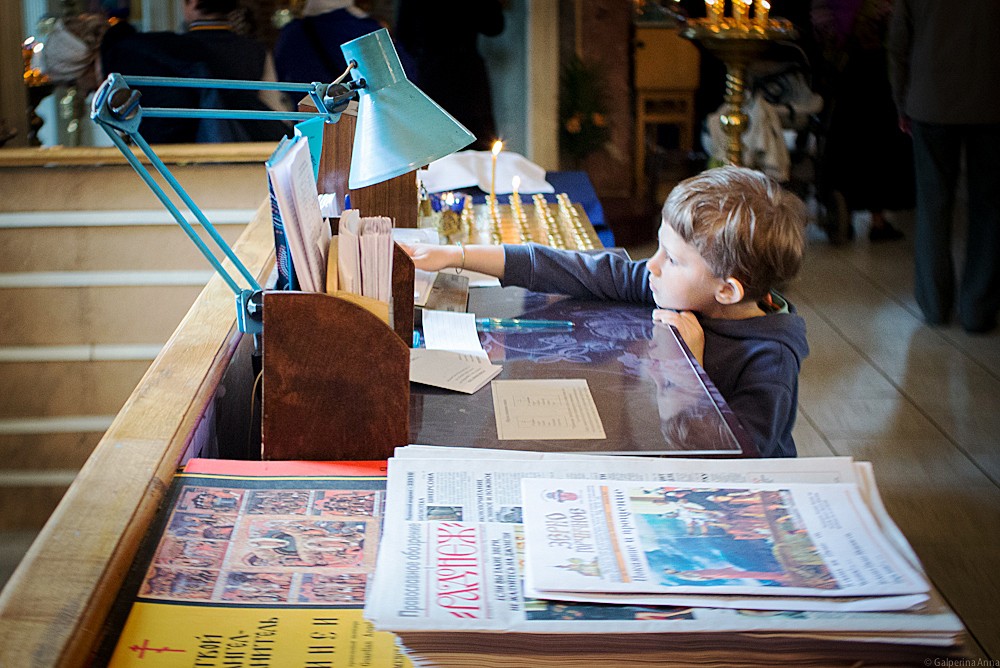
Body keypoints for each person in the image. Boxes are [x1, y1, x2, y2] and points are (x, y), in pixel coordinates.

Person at [404, 166, 809, 457]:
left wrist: (687, 369)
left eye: (672, 259)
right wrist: (455, 256)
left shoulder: (771, 359)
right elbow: (575, 269)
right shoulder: (674, 287)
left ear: (727, 290)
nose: (652, 266)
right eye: (659, 248)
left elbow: (736, 459)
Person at [888, 0, 1000, 333]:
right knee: (989, 210)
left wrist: (901, 100)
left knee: (933, 206)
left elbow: (898, 43)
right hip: (992, 103)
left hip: (930, 101)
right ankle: (978, 308)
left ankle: (934, 304)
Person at [100, 0, 290, 143]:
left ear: (192, 3)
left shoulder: (175, 50)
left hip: (196, 146)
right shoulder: (255, 50)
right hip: (246, 146)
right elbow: (275, 108)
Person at [812, 0, 913, 242]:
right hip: (876, 69)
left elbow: (822, 23)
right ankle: (877, 220)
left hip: (844, 71)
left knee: (846, 144)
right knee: (879, 146)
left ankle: (844, 214)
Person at [396, 0, 505, 151]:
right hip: (446, 72)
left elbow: (494, 26)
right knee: (442, 140)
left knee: (469, 138)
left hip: (453, 73)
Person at [273, 0, 386, 88]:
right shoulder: (364, 29)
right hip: (354, 109)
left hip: (304, 109)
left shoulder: (289, 34)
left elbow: (280, 77)